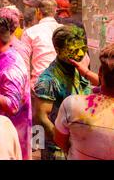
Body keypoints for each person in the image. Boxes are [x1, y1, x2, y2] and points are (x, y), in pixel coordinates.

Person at [33, 25, 92, 160]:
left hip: (80, 144)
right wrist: (66, 145)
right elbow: (41, 118)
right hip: (59, 150)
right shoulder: (48, 80)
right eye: (74, 50)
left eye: (83, 49)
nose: (81, 54)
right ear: (58, 50)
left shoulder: (77, 68)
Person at [0, 16, 32, 160]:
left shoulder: (10, 66)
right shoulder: (1, 58)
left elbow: (12, 106)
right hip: (0, 137)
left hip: (8, 142)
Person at [21, 0, 62, 88]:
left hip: (40, 84)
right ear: (55, 12)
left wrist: (25, 89)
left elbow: (24, 63)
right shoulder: (65, 30)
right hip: (65, 83)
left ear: (38, 12)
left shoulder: (30, 32)